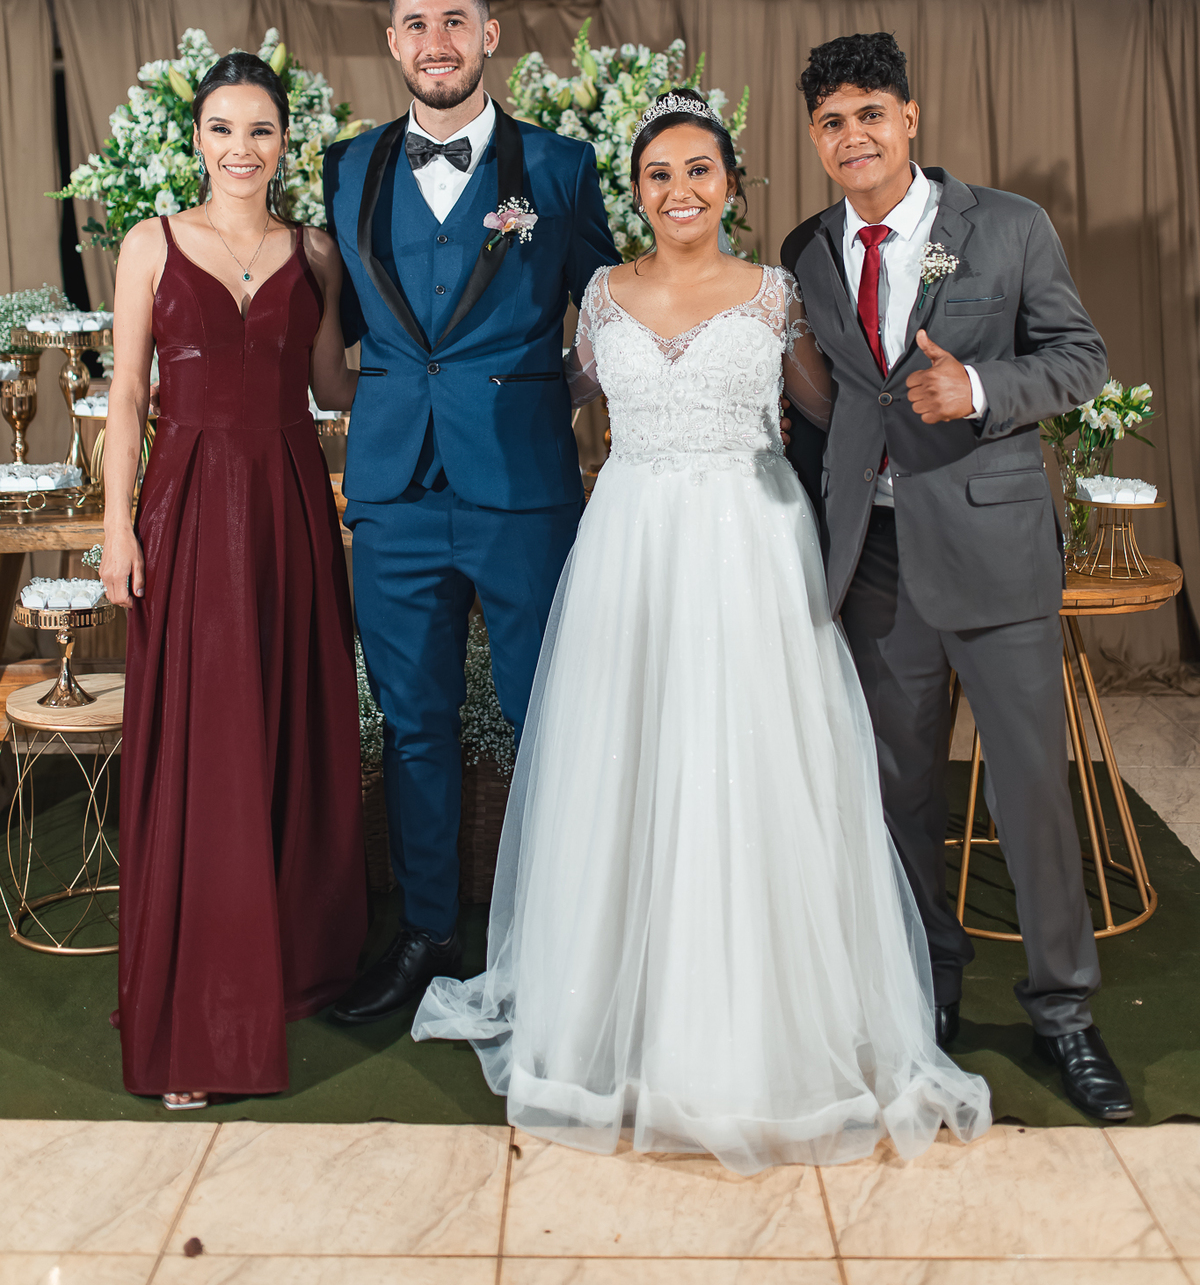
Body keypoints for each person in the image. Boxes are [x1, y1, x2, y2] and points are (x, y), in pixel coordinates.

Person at [412, 88, 991, 1174]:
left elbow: (832, 409)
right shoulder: (600, 295)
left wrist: (928, 466)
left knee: (745, 765)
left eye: (699, 170)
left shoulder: (777, 295)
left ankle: (752, 1023)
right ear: (635, 193)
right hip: (631, 547)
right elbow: (554, 396)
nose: (680, 191)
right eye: (658, 174)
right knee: (628, 761)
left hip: (748, 547)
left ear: (731, 182)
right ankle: (613, 1007)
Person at [781, 31, 1133, 1124]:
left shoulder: (1008, 225)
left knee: (1030, 790)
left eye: (870, 114)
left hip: (991, 547)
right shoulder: (806, 249)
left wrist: (978, 389)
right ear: (815, 138)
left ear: (910, 119)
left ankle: (1064, 1012)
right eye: (832, 122)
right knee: (899, 795)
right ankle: (923, 990)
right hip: (873, 562)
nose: (854, 136)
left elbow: (1081, 359)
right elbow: (828, 400)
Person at [322, 0, 619, 1024]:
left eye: (454, 21)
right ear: (391, 41)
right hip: (394, 490)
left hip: (523, 489)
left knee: (551, 716)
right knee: (414, 724)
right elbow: (334, 322)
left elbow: (614, 310)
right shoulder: (346, 167)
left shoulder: (561, 168)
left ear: (489, 35)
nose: (435, 42)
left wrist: (556, 390)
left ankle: (559, 940)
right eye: (415, 23)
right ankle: (428, 933)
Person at [103, 51, 368, 1109]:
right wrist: (117, 529)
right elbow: (128, 394)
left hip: (291, 503)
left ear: (285, 141)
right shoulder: (150, 244)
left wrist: (448, 362)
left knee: (290, 720)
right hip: (186, 502)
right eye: (222, 128)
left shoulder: (318, 253)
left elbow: (333, 384)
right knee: (203, 743)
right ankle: (203, 1010)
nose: (241, 148)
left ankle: (289, 958)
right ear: (196, 138)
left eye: (260, 130)